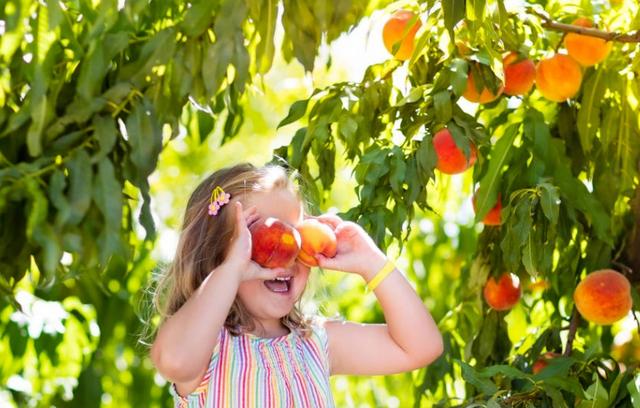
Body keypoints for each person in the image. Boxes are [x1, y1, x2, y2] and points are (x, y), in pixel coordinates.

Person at [150, 163, 443, 407]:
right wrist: (232, 270)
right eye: (263, 237)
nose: (287, 254)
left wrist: (371, 263)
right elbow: (174, 361)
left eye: (297, 237)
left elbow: (420, 347)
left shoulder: (314, 342)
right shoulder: (208, 347)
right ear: (218, 254)